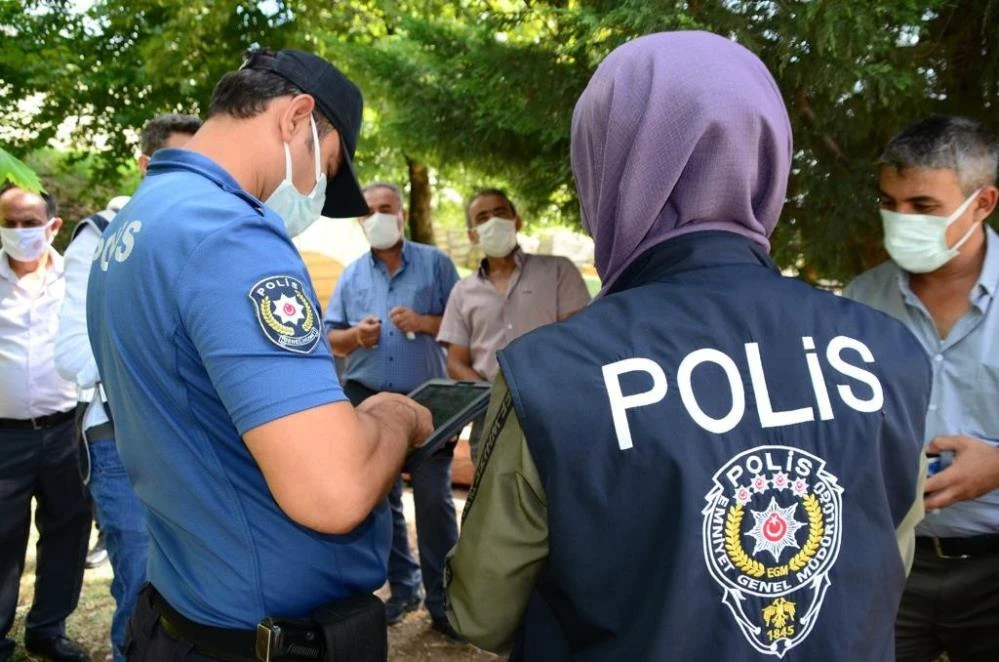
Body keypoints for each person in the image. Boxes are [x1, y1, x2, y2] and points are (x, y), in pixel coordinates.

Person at [445, 31, 933, 661]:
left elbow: (479, 610)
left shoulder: (553, 375)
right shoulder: (886, 352)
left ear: (606, 164)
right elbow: (882, 571)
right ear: (767, 155)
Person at [86, 48, 431, 661]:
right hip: (248, 637)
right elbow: (333, 490)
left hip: (183, 611)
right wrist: (396, 416)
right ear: (297, 117)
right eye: (324, 170)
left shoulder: (134, 223)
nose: (316, 197)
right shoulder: (231, 233)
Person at [843, 115, 999, 662]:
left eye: (923, 207)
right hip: (890, 563)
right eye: (889, 202)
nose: (899, 220)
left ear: (982, 203)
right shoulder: (859, 303)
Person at [54, 112, 201, 662]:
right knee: (141, 586)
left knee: (196, 590)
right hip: (120, 440)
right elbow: (71, 354)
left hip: (193, 438)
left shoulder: (206, 229)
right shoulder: (100, 236)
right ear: (146, 165)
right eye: (178, 162)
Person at [324, 181, 462, 640]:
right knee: (380, 503)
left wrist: (423, 323)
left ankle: (446, 603)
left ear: (402, 213)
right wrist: (355, 337)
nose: (378, 217)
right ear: (361, 221)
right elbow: (329, 339)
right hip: (365, 398)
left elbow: (464, 324)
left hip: (428, 402)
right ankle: (402, 591)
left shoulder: (436, 264)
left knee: (434, 501)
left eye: (386, 208)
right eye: (369, 212)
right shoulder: (349, 274)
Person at [0, 185, 91, 662]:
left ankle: (48, 630)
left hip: (66, 431)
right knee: (1, 538)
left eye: (29, 223)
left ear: (52, 226)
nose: (19, 233)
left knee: (68, 531)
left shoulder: (78, 277)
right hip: (4, 436)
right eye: (9, 223)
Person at [437, 188, 590, 458]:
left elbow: (579, 340)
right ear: (472, 234)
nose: (493, 221)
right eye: (482, 217)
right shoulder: (462, 291)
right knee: (494, 498)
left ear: (516, 221)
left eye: (500, 213)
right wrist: (493, 397)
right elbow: (455, 362)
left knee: (556, 495)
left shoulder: (558, 271)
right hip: (490, 418)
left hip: (553, 409)